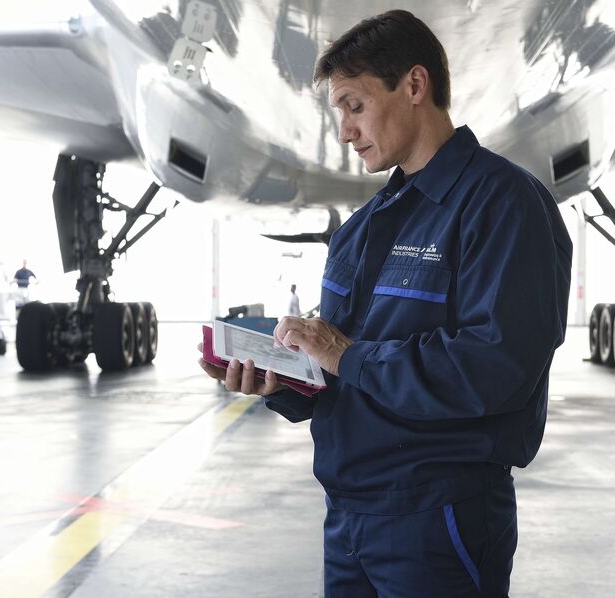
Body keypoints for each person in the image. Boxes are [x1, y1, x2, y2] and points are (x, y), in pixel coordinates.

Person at [199, 10, 572, 596]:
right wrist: (283, 384)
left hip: (438, 518)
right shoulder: (362, 227)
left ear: (415, 86)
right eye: (339, 112)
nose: (344, 130)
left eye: (354, 105)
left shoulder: (502, 203)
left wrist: (345, 354)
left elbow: (495, 368)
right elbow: (341, 370)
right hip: (349, 516)